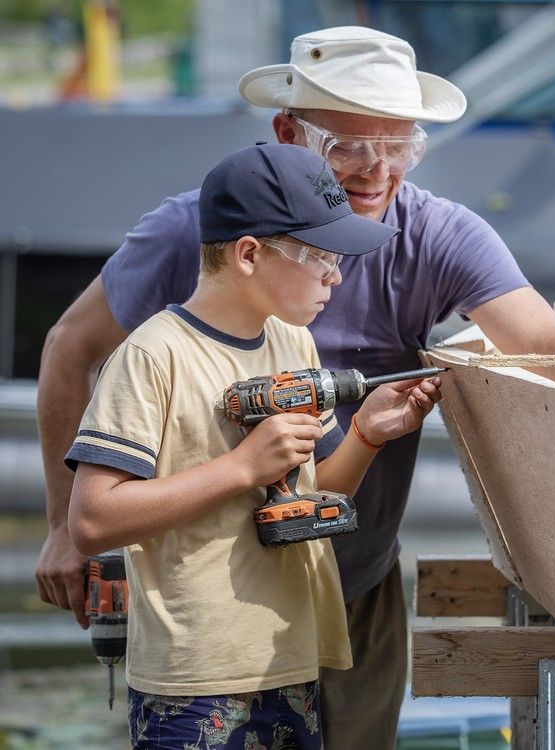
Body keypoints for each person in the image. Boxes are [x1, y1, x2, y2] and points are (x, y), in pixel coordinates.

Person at [37, 25, 555, 748]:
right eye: (347, 146)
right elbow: (71, 351)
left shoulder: (421, 247)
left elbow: (548, 343)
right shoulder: (195, 238)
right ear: (288, 132)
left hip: (350, 577)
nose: (376, 171)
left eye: (400, 146)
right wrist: (65, 528)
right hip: (202, 610)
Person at [66, 142, 442, 748]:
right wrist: (241, 467)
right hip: (192, 681)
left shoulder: (296, 346)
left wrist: (370, 434)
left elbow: (309, 503)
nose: (336, 275)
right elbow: (91, 520)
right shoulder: (151, 357)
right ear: (248, 254)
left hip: (290, 665)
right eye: (320, 257)